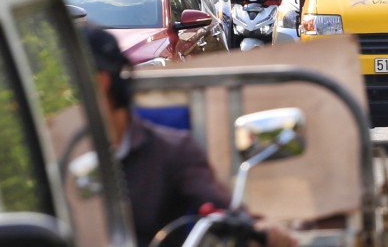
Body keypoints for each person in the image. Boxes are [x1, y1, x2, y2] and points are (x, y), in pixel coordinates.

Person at [84, 24, 297, 247]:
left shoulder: (171, 151)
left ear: (100, 83)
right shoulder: (53, 154)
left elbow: (224, 213)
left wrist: (259, 232)